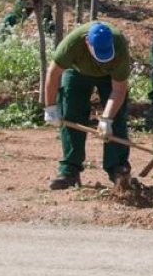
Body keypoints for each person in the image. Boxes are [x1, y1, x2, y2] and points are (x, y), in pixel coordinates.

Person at [42, 21, 133, 193]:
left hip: (109, 77)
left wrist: (106, 119)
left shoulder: (119, 47)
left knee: (116, 119)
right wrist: (51, 108)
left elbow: (119, 90)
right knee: (71, 113)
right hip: (77, 72)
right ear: (87, 43)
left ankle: (118, 170)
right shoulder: (72, 44)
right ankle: (70, 171)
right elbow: (53, 75)